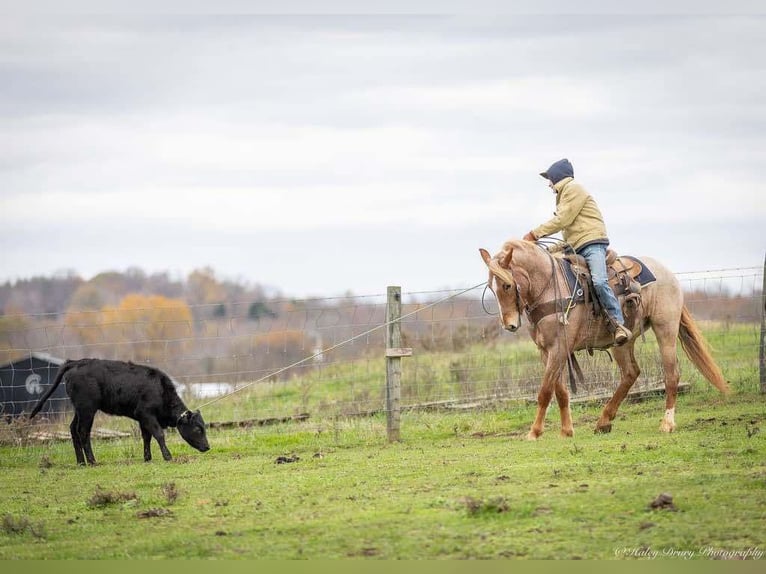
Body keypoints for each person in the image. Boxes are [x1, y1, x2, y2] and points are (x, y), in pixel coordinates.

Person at [522, 158, 632, 346]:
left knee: (599, 280)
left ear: (558, 177)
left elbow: (562, 220)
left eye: (550, 179)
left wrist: (535, 234)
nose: (549, 184)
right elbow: (567, 237)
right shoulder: (564, 196)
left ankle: (618, 323)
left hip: (592, 244)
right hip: (576, 246)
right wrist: (546, 250)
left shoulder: (573, 189)